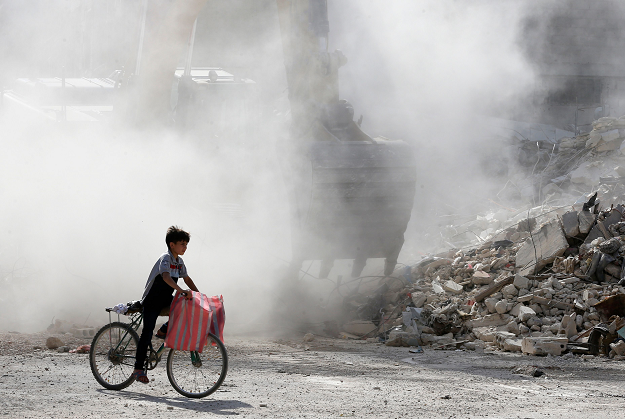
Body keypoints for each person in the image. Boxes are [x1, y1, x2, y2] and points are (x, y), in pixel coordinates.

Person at [132, 226, 199, 384]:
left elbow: (187, 279)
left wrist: (199, 294)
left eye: (186, 244)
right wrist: (181, 290)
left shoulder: (179, 262)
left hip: (165, 299)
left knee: (186, 308)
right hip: (152, 300)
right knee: (147, 332)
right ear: (172, 244)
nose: (185, 247)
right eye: (182, 244)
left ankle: (163, 330)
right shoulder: (166, 258)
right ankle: (137, 369)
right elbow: (166, 277)